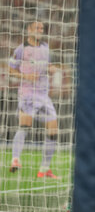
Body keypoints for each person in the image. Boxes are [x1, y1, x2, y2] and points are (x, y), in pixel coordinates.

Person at [8, 21, 59, 179]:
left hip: (44, 95)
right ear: (29, 30)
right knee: (25, 125)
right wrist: (25, 76)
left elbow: (47, 65)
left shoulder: (45, 47)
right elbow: (10, 70)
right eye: (37, 28)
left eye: (42, 28)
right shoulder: (21, 49)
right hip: (28, 93)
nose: (40, 30)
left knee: (53, 129)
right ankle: (15, 160)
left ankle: (44, 170)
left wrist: (51, 69)